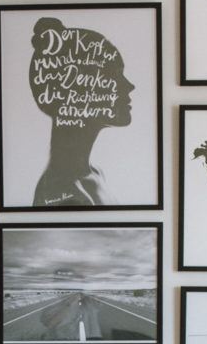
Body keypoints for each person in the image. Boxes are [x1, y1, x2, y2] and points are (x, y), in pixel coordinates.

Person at [28, 16, 134, 208]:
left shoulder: (92, 174)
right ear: (78, 92)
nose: (129, 86)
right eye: (114, 75)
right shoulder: (64, 191)